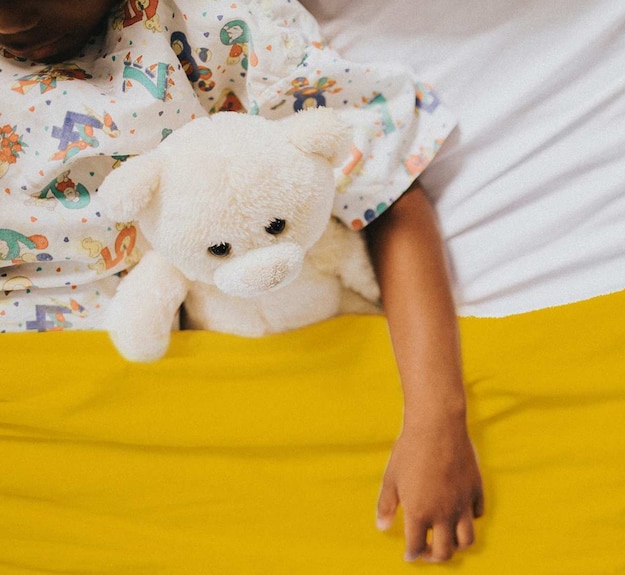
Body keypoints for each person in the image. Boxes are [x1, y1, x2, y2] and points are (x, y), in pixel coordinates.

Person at [0, 0, 482, 563]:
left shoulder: (219, 28)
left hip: (253, 378)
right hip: (54, 416)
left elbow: (382, 188)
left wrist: (435, 418)